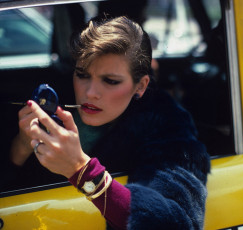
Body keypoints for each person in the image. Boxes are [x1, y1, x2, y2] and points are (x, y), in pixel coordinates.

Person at [8, 16, 210, 229]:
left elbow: (174, 223)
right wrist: (22, 144)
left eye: (110, 81)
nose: (90, 93)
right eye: (82, 74)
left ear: (140, 86)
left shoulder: (167, 125)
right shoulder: (55, 101)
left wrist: (82, 171)